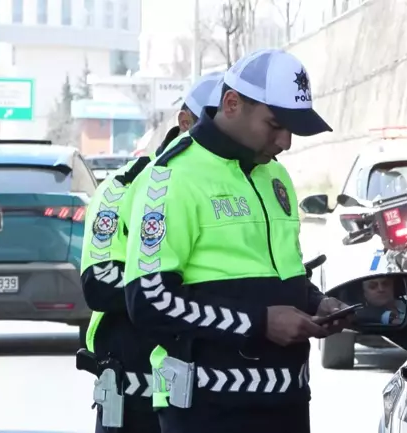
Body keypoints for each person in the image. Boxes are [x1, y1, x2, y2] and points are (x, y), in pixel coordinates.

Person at [122, 49, 347, 433]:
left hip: (288, 401)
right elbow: (147, 300)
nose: (286, 142)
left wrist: (316, 302)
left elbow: (280, 273)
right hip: (206, 408)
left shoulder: (274, 177)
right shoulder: (169, 180)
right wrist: (258, 323)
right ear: (231, 104)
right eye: (275, 124)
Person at [79, 71, 224, 433]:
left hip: (222, 394)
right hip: (134, 394)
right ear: (185, 121)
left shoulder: (250, 188)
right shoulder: (123, 188)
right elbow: (100, 284)